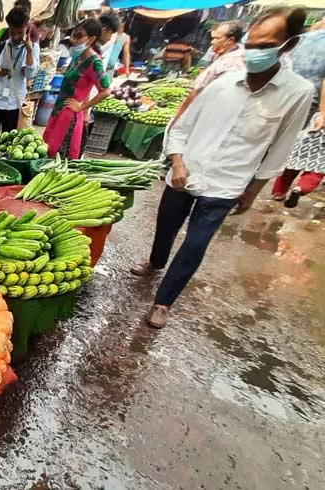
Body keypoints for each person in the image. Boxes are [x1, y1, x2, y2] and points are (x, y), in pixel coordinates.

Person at [131, 7, 313, 329]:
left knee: (196, 244)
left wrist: (253, 191)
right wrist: (177, 161)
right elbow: (181, 126)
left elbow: (280, 147)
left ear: (287, 46)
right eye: (251, 44)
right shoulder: (222, 82)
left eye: (266, 45)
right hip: (185, 171)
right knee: (165, 227)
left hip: (229, 182)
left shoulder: (297, 93)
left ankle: (164, 301)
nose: (255, 52)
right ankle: (155, 262)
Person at [271, 27, 325, 207]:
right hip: (313, 107)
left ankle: (278, 191)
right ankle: (301, 188)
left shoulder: (298, 39)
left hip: (284, 97)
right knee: (318, 163)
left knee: (293, 153)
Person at [43, 19, 110, 159]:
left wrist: (82, 107)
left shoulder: (94, 62)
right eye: (74, 35)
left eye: (79, 36)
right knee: (46, 149)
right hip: (58, 111)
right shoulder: (77, 57)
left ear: (91, 39)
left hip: (69, 115)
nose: (74, 40)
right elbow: (85, 84)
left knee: (58, 156)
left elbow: (106, 91)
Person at [171, 21, 244, 125]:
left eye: (217, 38)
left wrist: (177, 118)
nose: (212, 42)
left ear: (230, 40)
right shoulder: (232, 53)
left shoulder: (230, 61)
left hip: (211, 113)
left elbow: (196, 91)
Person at [0, 7, 39, 134]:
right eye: (12, 33)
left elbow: (30, 74)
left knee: (8, 141)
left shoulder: (33, 49)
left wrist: (29, 51)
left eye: (20, 33)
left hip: (14, 103)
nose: (15, 37)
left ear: (27, 30)